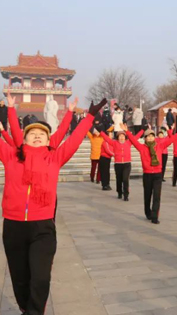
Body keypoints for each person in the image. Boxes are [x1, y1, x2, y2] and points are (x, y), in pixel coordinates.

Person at [0, 95, 105, 315]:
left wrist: (89, 117)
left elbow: (74, 140)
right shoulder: (11, 156)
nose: (37, 136)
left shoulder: (54, 158)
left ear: (49, 140)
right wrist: (8, 109)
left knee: (40, 277)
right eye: (32, 134)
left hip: (42, 227)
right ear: (24, 139)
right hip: (14, 226)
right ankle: (25, 308)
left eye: (42, 134)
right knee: (19, 278)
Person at [126, 124, 177, 224]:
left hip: (158, 175)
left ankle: (155, 216)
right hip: (147, 175)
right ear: (145, 138)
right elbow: (133, 141)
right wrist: (127, 132)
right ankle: (147, 212)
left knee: (156, 196)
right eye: (148, 136)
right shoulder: (141, 148)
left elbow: (170, 140)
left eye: (152, 136)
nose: (150, 138)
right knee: (147, 195)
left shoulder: (160, 146)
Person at [101, 128, 143, 200]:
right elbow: (107, 139)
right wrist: (101, 132)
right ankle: (119, 192)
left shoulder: (129, 142)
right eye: (120, 136)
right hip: (118, 164)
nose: (121, 137)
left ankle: (126, 194)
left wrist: (142, 130)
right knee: (119, 179)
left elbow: (136, 137)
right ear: (117, 137)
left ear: (125, 137)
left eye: (123, 136)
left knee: (125, 179)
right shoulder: (114, 143)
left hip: (127, 164)